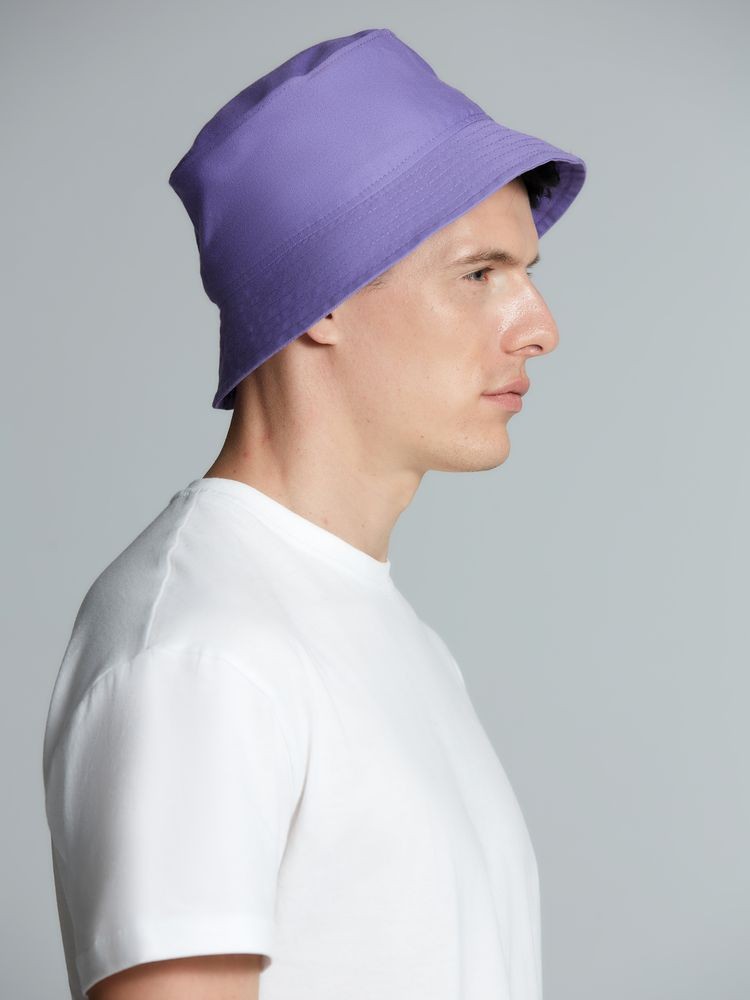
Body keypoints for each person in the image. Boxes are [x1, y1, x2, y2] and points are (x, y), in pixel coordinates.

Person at [42, 26, 586, 1000]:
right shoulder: (203, 650)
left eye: (528, 272)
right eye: (480, 274)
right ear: (319, 300)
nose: (539, 327)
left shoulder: (388, 636)